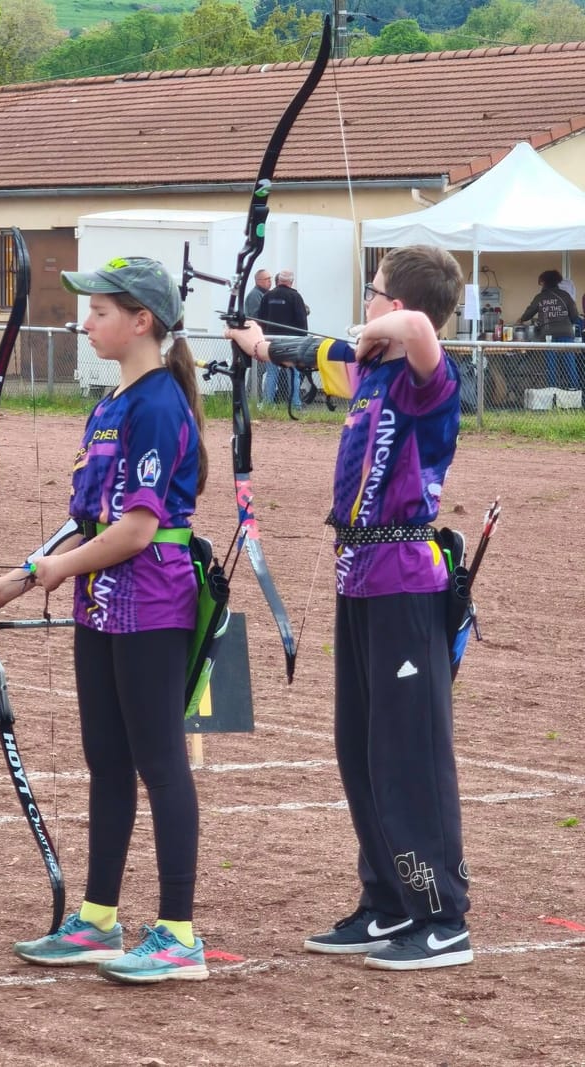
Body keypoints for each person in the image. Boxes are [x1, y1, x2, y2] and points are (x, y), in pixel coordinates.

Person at [226, 245, 473, 972]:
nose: (364, 303)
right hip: (359, 576)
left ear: (394, 306)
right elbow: (307, 351)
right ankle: (388, 900)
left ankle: (442, 915)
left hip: (405, 581)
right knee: (361, 746)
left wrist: (383, 327)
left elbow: (420, 330)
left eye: (373, 292)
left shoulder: (430, 379)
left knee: (407, 752)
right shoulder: (368, 371)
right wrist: (254, 341)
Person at [0, 257, 210, 985]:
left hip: (153, 604)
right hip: (102, 603)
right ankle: (99, 919)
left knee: (160, 764)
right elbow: (90, 523)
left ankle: (178, 934)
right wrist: (14, 582)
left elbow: (137, 530)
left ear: (141, 321)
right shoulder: (111, 405)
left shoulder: (159, 404)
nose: (86, 322)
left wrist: (49, 571)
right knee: (107, 760)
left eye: (100, 311)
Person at [519, 269, 579, 389]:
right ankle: (575, 391)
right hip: (566, 333)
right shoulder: (565, 295)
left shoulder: (540, 297)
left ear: (544, 283)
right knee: (570, 364)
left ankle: (552, 391)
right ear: (557, 282)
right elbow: (575, 317)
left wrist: (521, 319)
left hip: (548, 335)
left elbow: (528, 314)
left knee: (551, 366)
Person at [257, 269, 308, 407]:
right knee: (293, 373)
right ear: (291, 282)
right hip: (291, 341)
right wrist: (302, 340)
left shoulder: (267, 296)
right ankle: (295, 404)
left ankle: (268, 404)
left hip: (270, 340)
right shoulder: (295, 297)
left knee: (271, 373)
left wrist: (262, 338)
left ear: (278, 280)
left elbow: (260, 319)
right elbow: (302, 321)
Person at [244, 267, 272, 396]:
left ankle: (255, 394)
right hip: (258, 337)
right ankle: (253, 394)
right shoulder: (255, 295)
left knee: (261, 368)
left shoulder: (265, 294)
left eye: (270, 278)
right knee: (258, 368)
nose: (270, 281)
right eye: (267, 279)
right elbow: (256, 317)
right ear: (258, 281)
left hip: (263, 336)